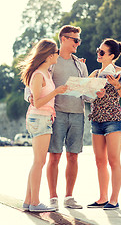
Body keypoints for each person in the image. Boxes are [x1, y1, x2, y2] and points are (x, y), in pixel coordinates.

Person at [25, 25, 90, 210]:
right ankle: (52, 197)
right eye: (75, 40)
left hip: (78, 114)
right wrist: (31, 97)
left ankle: (69, 197)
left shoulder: (81, 65)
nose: (78, 43)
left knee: (73, 156)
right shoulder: (50, 62)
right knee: (53, 157)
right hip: (55, 115)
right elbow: (34, 86)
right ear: (63, 39)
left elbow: (85, 93)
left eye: (79, 40)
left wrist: (95, 93)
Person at [20, 38, 67, 212]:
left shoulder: (45, 72)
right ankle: (35, 203)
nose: (57, 55)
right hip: (39, 118)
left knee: (37, 162)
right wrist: (56, 91)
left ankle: (28, 201)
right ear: (48, 56)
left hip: (43, 118)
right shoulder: (39, 75)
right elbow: (37, 103)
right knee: (39, 162)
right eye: (55, 53)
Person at [87, 38, 121, 210]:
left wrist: (115, 84)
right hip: (96, 120)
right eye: (98, 50)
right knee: (99, 161)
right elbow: (85, 96)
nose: (99, 54)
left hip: (114, 120)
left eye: (102, 52)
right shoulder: (95, 73)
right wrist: (96, 93)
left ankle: (114, 199)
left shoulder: (120, 72)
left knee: (113, 160)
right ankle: (102, 198)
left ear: (111, 56)